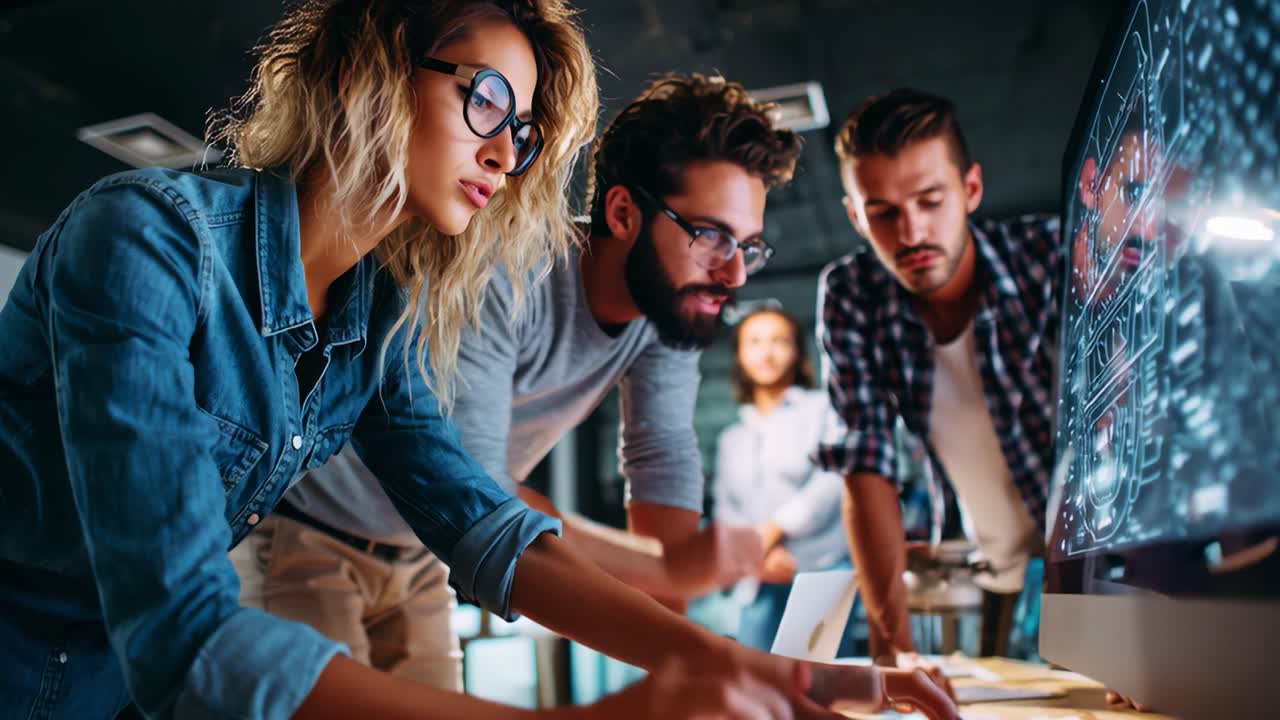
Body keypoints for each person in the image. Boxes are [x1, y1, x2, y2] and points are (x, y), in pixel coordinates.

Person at [0, 2, 958, 718]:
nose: (507, 152)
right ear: (363, 71)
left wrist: (745, 666)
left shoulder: (376, 314)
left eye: (526, 128)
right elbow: (184, 631)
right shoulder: (145, 240)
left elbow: (485, 525)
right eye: (486, 98)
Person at [238, 71, 799, 686]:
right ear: (622, 213)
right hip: (304, 532)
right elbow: (481, 488)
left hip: (422, 551)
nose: (734, 274)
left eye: (747, 245)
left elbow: (660, 463)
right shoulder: (510, 269)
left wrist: (681, 675)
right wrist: (668, 577)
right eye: (710, 236)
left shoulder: (670, 311)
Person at [816, 88, 1062, 675]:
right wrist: (892, 649)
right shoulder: (853, 295)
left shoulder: (1048, 253)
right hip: (990, 567)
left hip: (1089, 556)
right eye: (883, 213)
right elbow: (865, 465)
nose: (911, 234)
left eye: (930, 200)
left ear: (970, 189)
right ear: (855, 215)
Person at [714, 305, 859, 653]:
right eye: (755, 342)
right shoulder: (732, 437)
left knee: (824, 685)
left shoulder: (825, 408)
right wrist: (755, 553)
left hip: (821, 569)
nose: (767, 352)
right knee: (757, 689)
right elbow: (725, 505)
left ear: (797, 351)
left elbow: (833, 480)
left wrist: (773, 531)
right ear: (739, 355)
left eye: (779, 341)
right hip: (758, 575)